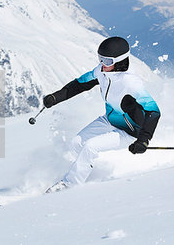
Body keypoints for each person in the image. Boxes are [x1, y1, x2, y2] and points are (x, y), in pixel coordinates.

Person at [43, 36, 160, 193]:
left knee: (90, 147)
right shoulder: (102, 71)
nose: (103, 64)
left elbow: (154, 111)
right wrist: (55, 97)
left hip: (130, 131)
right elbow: (80, 84)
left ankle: (69, 187)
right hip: (110, 119)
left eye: (107, 61)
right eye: (101, 59)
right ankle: (86, 171)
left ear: (119, 62)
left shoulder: (131, 83)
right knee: (76, 143)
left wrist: (143, 140)